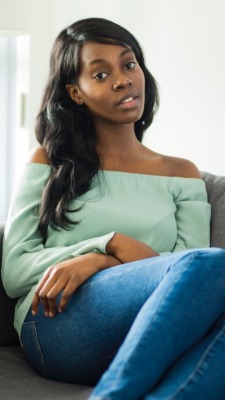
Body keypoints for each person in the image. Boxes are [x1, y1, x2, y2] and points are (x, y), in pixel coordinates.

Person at [2, 17, 225, 400]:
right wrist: (107, 245)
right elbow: (16, 269)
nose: (123, 79)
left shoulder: (181, 173)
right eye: (101, 74)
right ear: (76, 93)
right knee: (213, 263)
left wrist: (102, 257)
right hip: (57, 323)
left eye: (129, 64)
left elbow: (187, 281)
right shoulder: (48, 162)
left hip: (159, 327)